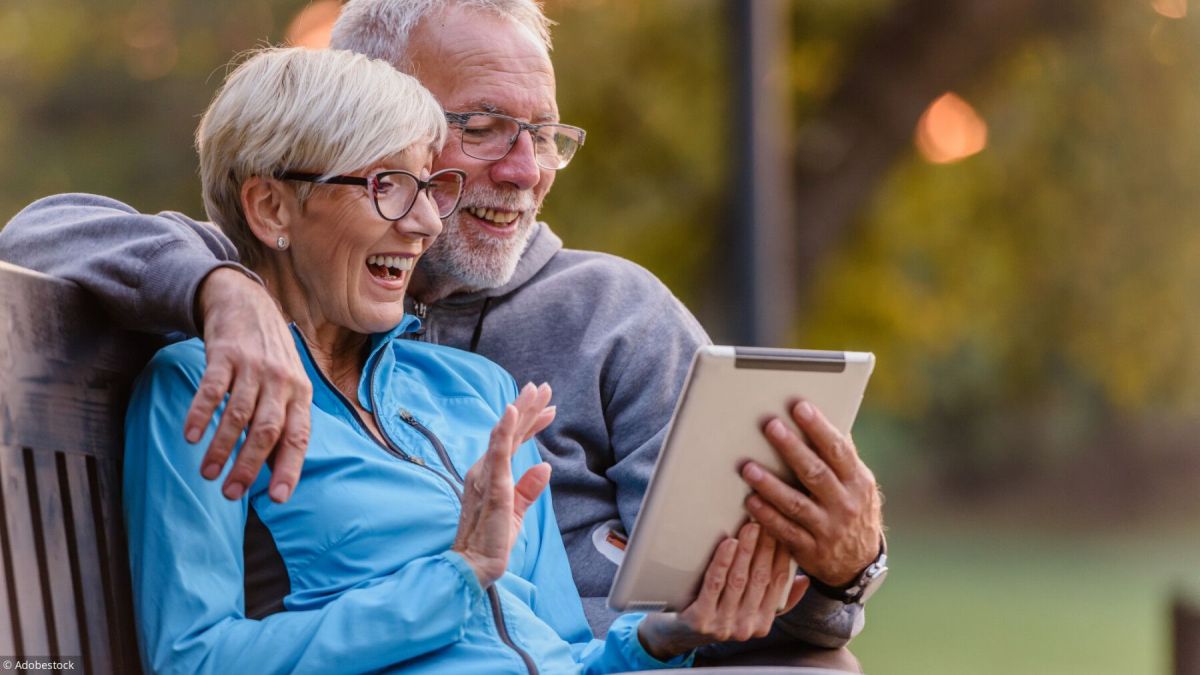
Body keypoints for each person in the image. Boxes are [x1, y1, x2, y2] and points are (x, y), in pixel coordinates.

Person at [0, 0, 884, 666]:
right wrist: (222, 291)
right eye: (484, 128)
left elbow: (577, 638)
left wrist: (833, 574)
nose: (524, 169)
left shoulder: (526, 366)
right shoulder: (222, 328)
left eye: (543, 134)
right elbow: (45, 231)